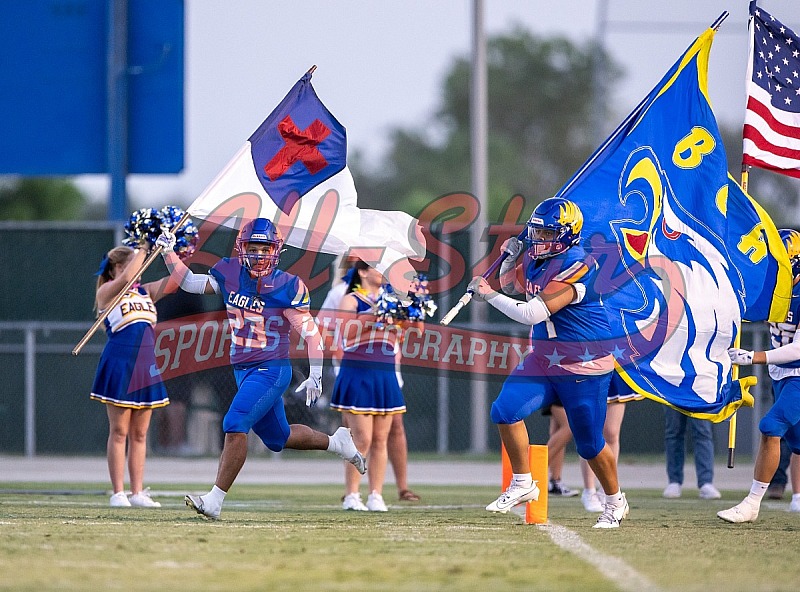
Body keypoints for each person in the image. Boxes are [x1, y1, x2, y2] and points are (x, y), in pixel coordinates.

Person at [156, 218, 367, 520]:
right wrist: (168, 253)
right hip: (242, 368)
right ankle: (338, 442)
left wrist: (316, 374)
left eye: (264, 248)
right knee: (277, 438)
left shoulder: (287, 286)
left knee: (234, 422)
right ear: (242, 249)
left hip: (272, 367)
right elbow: (190, 282)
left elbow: (311, 335)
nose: (257, 255)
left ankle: (214, 500)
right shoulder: (229, 273)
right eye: (252, 248)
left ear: (276, 250)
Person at [469, 197, 629, 528]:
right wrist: (507, 262)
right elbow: (518, 286)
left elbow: (532, 312)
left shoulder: (578, 265)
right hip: (544, 359)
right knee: (504, 410)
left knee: (590, 445)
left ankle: (615, 501)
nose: (538, 240)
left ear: (566, 235)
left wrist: (488, 294)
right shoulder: (541, 259)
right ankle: (524, 482)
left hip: (583, 367)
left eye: (545, 234)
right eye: (536, 233)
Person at [320, 258, 421, 503]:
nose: (385, 273)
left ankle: (376, 494)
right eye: (379, 268)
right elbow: (346, 331)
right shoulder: (350, 298)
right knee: (361, 438)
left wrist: (414, 307)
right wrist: (376, 314)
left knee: (380, 439)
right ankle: (352, 495)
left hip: (385, 371)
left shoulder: (393, 298)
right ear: (363, 272)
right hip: (358, 371)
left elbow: (414, 332)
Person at [718, 228, 800, 523]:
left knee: (771, 427)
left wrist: (755, 357)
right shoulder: (773, 288)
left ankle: (752, 503)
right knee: (797, 442)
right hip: (783, 375)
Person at [90, 244, 172, 508]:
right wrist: (144, 247)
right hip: (120, 363)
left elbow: (177, 281)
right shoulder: (107, 292)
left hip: (146, 365)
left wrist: (173, 251)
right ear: (114, 268)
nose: (136, 270)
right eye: (129, 264)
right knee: (119, 430)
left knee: (140, 434)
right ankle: (118, 492)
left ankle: (137, 492)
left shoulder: (146, 292)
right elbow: (126, 279)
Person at [662, 407, 721, 500]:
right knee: (674, 431)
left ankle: (706, 482)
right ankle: (674, 481)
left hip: (699, 393)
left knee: (703, 432)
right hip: (675, 393)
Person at [541, 403, 579, 498]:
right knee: (569, 426)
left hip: (567, 390)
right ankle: (534, 470)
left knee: (557, 430)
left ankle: (555, 482)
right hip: (559, 389)